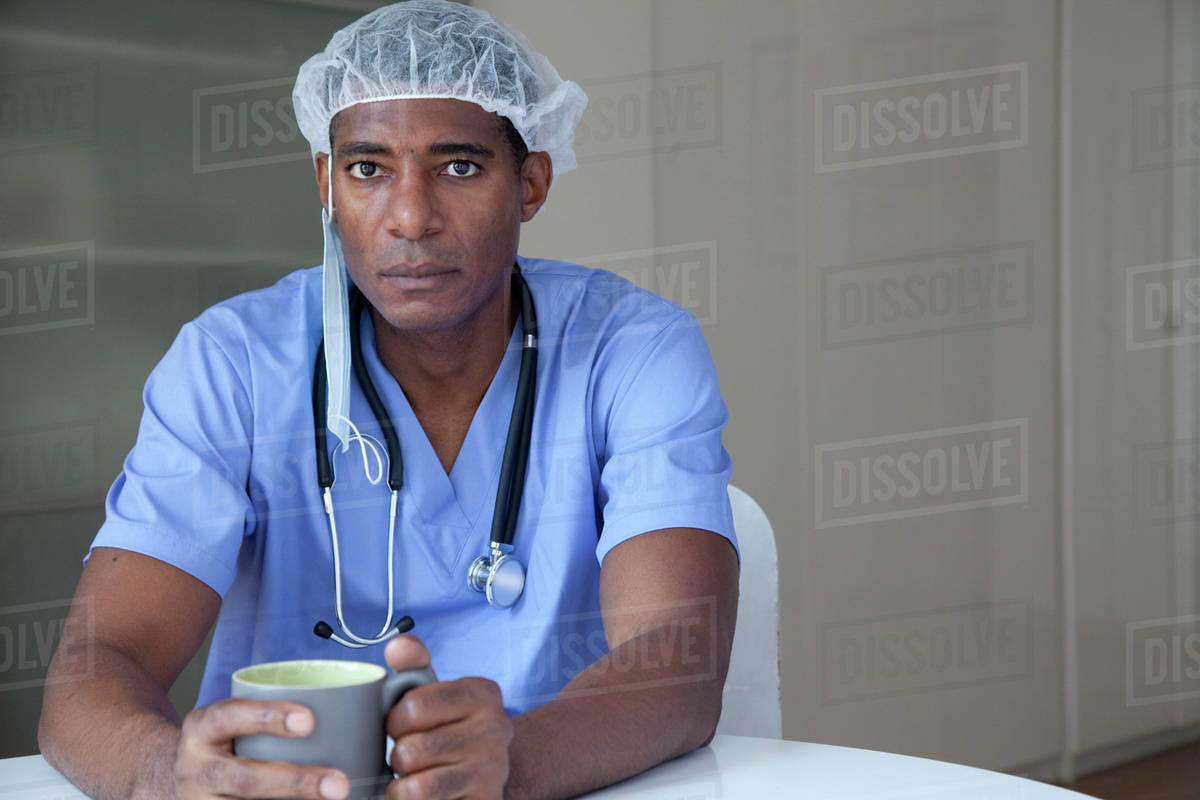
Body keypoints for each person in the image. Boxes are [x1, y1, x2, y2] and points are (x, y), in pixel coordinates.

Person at [37, 2, 740, 798]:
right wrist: (168, 777)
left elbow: (679, 658)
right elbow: (95, 667)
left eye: (460, 167)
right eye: (368, 169)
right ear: (326, 185)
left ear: (532, 182)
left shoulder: (633, 349)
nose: (411, 218)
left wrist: (512, 762)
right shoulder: (232, 364)